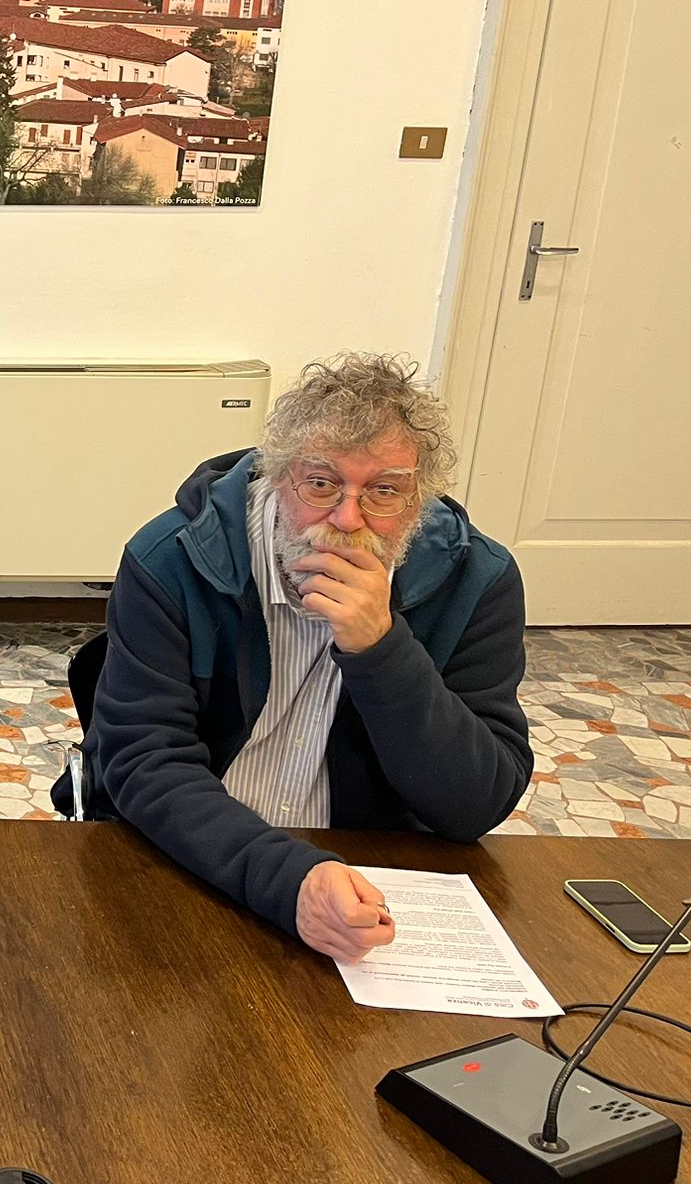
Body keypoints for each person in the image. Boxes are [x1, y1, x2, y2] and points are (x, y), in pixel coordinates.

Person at [56, 353, 528, 962]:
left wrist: (381, 649)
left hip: (370, 877)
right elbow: (143, 761)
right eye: (321, 484)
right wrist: (288, 880)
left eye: (384, 491)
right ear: (277, 478)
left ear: (419, 503)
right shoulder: (173, 559)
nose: (348, 520)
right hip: (193, 853)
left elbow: (475, 803)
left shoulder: (477, 581)